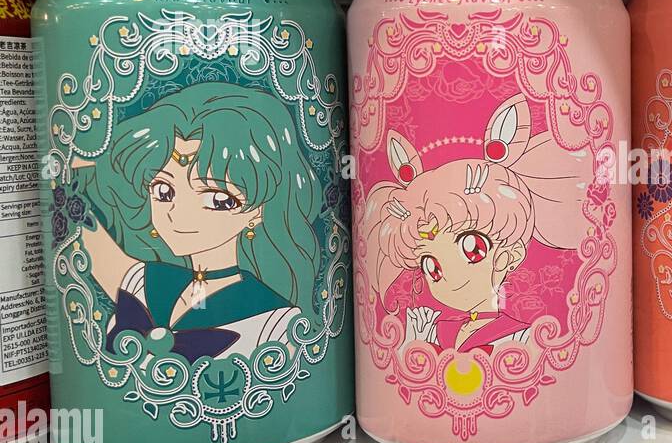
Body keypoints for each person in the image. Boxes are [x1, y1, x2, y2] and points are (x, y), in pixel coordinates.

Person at [73, 82, 323, 363]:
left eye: (218, 200)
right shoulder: (142, 281)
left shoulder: (276, 323)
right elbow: (82, 228)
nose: (179, 215)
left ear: (258, 211)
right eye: (163, 192)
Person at [362, 92, 585, 354]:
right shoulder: (437, 328)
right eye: (431, 266)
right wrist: (418, 338)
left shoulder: (521, 337)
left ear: (507, 257)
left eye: (472, 249)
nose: (448, 276)